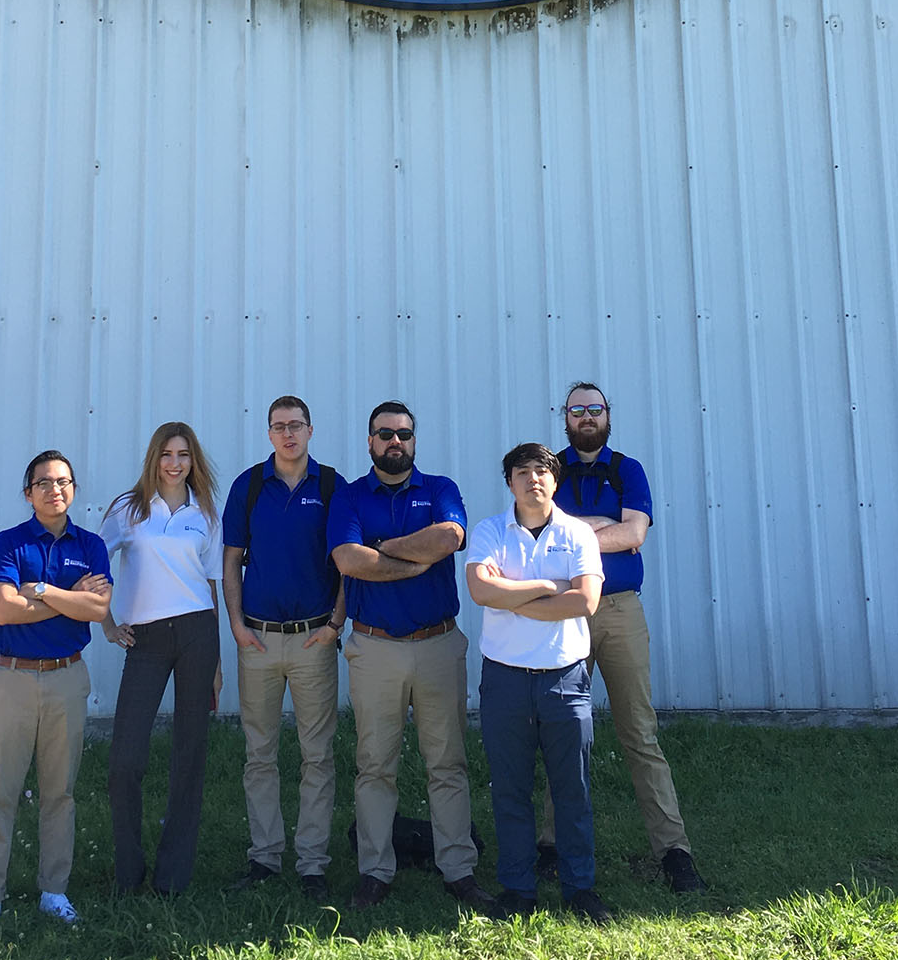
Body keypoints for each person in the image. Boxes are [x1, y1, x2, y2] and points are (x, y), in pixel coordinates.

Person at [327, 401, 494, 914]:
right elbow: (349, 559)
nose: (394, 442)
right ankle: (375, 871)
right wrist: (411, 561)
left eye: (404, 434)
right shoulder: (350, 496)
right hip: (375, 648)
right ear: (370, 442)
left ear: (414, 441)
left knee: (448, 762)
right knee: (374, 764)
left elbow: (450, 537)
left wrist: (383, 549)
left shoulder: (440, 489)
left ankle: (458, 869)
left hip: (439, 645)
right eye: (384, 434)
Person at [543, 381, 707, 893]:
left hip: (620, 612)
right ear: (564, 418)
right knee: (560, 730)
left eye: (595, 409)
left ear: (607, 415)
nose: (586, 417)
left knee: (639, 730)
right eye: (577, 410)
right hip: (567, 612)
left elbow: (635, 533)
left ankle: (674, 851)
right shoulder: (550, 469)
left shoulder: (627, 469)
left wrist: (576, 531)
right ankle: (550, 845)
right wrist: (604, 526)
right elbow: (543, 537)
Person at [0, 450, 112, 935]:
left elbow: (98, 608)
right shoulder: (7, 544)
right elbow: (5, 610)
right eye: (45, 483)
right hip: (13, 679)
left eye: (64, 482)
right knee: (0, 791)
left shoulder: (90, 544)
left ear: (73, 489)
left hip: (67, 678)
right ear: (28, 493)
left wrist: (44, 592)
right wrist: (70, 597)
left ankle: (55, 891)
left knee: (60, 792)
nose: (56, 490)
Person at [466, 443, 610, 923]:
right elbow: (481, 590)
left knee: (573, 789)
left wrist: (511, 597)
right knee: (509, 788)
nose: (534, 479)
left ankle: (579, 888)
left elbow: (586, 602)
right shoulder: (490, 531)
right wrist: (550, 587)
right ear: (509, 481)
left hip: (565, 680)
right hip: (504, 678)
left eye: (543, 471)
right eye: (523, 471)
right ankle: (518, 890)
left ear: (556, 480)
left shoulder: (578, 534)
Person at [221, 395, 346, 900]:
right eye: (279, 427)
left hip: (315, 639)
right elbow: (231, 562)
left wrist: (337, 622)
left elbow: (348, 560)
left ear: (311, 430)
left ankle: (313, 863)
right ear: (269, 433)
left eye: (297, 426)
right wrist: (236, 625)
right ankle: (265, 858)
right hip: (258, 639)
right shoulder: (249, 486)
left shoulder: (333, 486)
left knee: (317, 755)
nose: (288, 434)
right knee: (260, 754)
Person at [99, 422, 223, 895]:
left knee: (189, 755)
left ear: (194, 462)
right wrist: (108, 624)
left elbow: (210, 582)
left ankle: (172, 878)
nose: (175, 463)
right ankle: (129, 874)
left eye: (184, 455)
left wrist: (215, 662)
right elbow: (94, 563)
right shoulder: (128, 510)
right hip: (145, 640)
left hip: (196, 633)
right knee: (125, 760)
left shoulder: (206, 513)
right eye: (167, 454)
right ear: (154, 458)